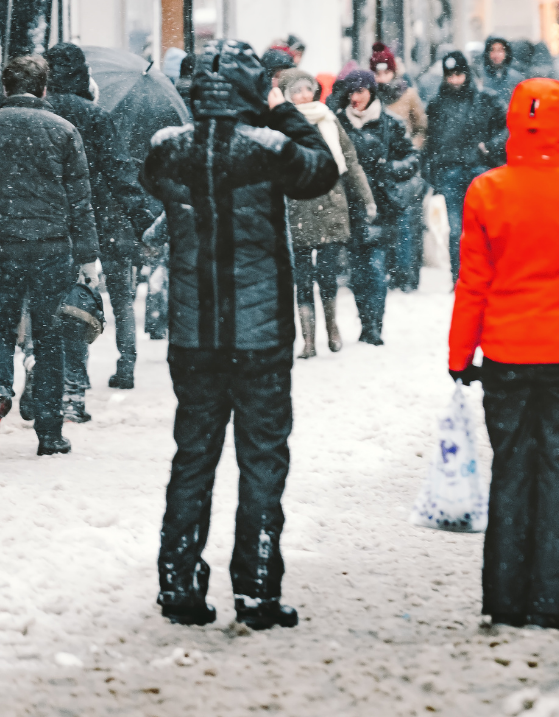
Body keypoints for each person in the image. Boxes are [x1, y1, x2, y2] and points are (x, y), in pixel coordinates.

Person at [143, 40, 338, 627]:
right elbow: (322, 170)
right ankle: (255, 586)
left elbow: (153, 184)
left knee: (193, 456)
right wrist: (280, 110)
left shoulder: (169, 148)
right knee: (262, 459)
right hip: (260, 334)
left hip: (194, 332)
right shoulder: (270, 149)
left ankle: (178, 578)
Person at [448, 78, 559, 633]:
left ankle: (505, 600)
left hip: (506, 353)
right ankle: (555, 602)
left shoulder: (486, 190)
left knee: (511, 469)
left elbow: (473, 280)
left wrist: (460, 353)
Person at [0, 54, 100, 454]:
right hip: (51, 247)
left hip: (3, 245)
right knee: (49, 337)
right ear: (43, 89)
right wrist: (89, 257)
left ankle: (0, 385)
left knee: (1, 326)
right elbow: (80, 201)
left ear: (6, 87)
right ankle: (49, 431)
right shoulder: (63, 130)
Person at [42, 43, 155, 393]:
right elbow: (120, 173)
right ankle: (126, 364)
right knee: (120, 297)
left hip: (56, 219)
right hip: (105, 217)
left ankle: (67, 374)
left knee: (62, 298)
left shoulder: (43, 113)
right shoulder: (95, 116)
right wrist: (144, 222)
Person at [280, 70, 376, 358]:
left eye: (306, 89)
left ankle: (332, 328)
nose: (303, 96)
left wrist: (367, 199)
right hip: (296, 205)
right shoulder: (282, 123)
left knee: (328, 273)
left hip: (331, 203)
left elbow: (350, 161)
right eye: (296, 91)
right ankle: (308, 339)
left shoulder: (328, 119)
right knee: (302, 278)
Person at [337, 69, 421, 345]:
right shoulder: (339, 123)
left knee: (374, 268)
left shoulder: (389, 123)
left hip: (381, 205)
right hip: (350, 206)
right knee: (357, 271)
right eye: (351, 92)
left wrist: (390, 169)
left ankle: (374, 327)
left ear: (371, 92)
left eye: (360, 91)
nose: (355, 97)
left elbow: (412, 158)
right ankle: (365, 322)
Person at [425, 51, 507, 287]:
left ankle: (483, 274)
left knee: (483, 227)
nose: (455, 80)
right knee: (456, 230)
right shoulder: (437, 103)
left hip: (479, 169)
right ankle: (460, 277)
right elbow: (431, 140)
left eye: (458, 74)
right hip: (450, 171)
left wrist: (489, 148)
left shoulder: (486, 99)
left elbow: (507, 126)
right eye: (450, 75)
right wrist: (434, 171)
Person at [371, 44, 428, 292]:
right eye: (378, 73)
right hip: (379, 170)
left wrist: (412, 149)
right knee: (386, 225)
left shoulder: (408, 95)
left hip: (404, 168)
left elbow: (421, 127)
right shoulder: (370, 96)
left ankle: (406, 275)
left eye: (386, 72)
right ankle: (389, 273)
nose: (382, 78)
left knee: (407, 226)